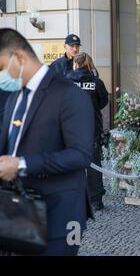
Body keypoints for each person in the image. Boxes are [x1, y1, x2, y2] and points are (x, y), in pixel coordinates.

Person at [0, 28, 94, 255]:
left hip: (58, 214)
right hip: (16, 211)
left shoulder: (69, 94)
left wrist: (21, 164)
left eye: (1, 67)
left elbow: (80, 155)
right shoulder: (14, 95)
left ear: (19, 58)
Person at [66, 52, 109, 211]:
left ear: (75, 64)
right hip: (91, 129)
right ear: (89, 64)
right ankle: (96, 200)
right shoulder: (96, 82)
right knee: (94, 166)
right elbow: (103, 102)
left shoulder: (67, 80)